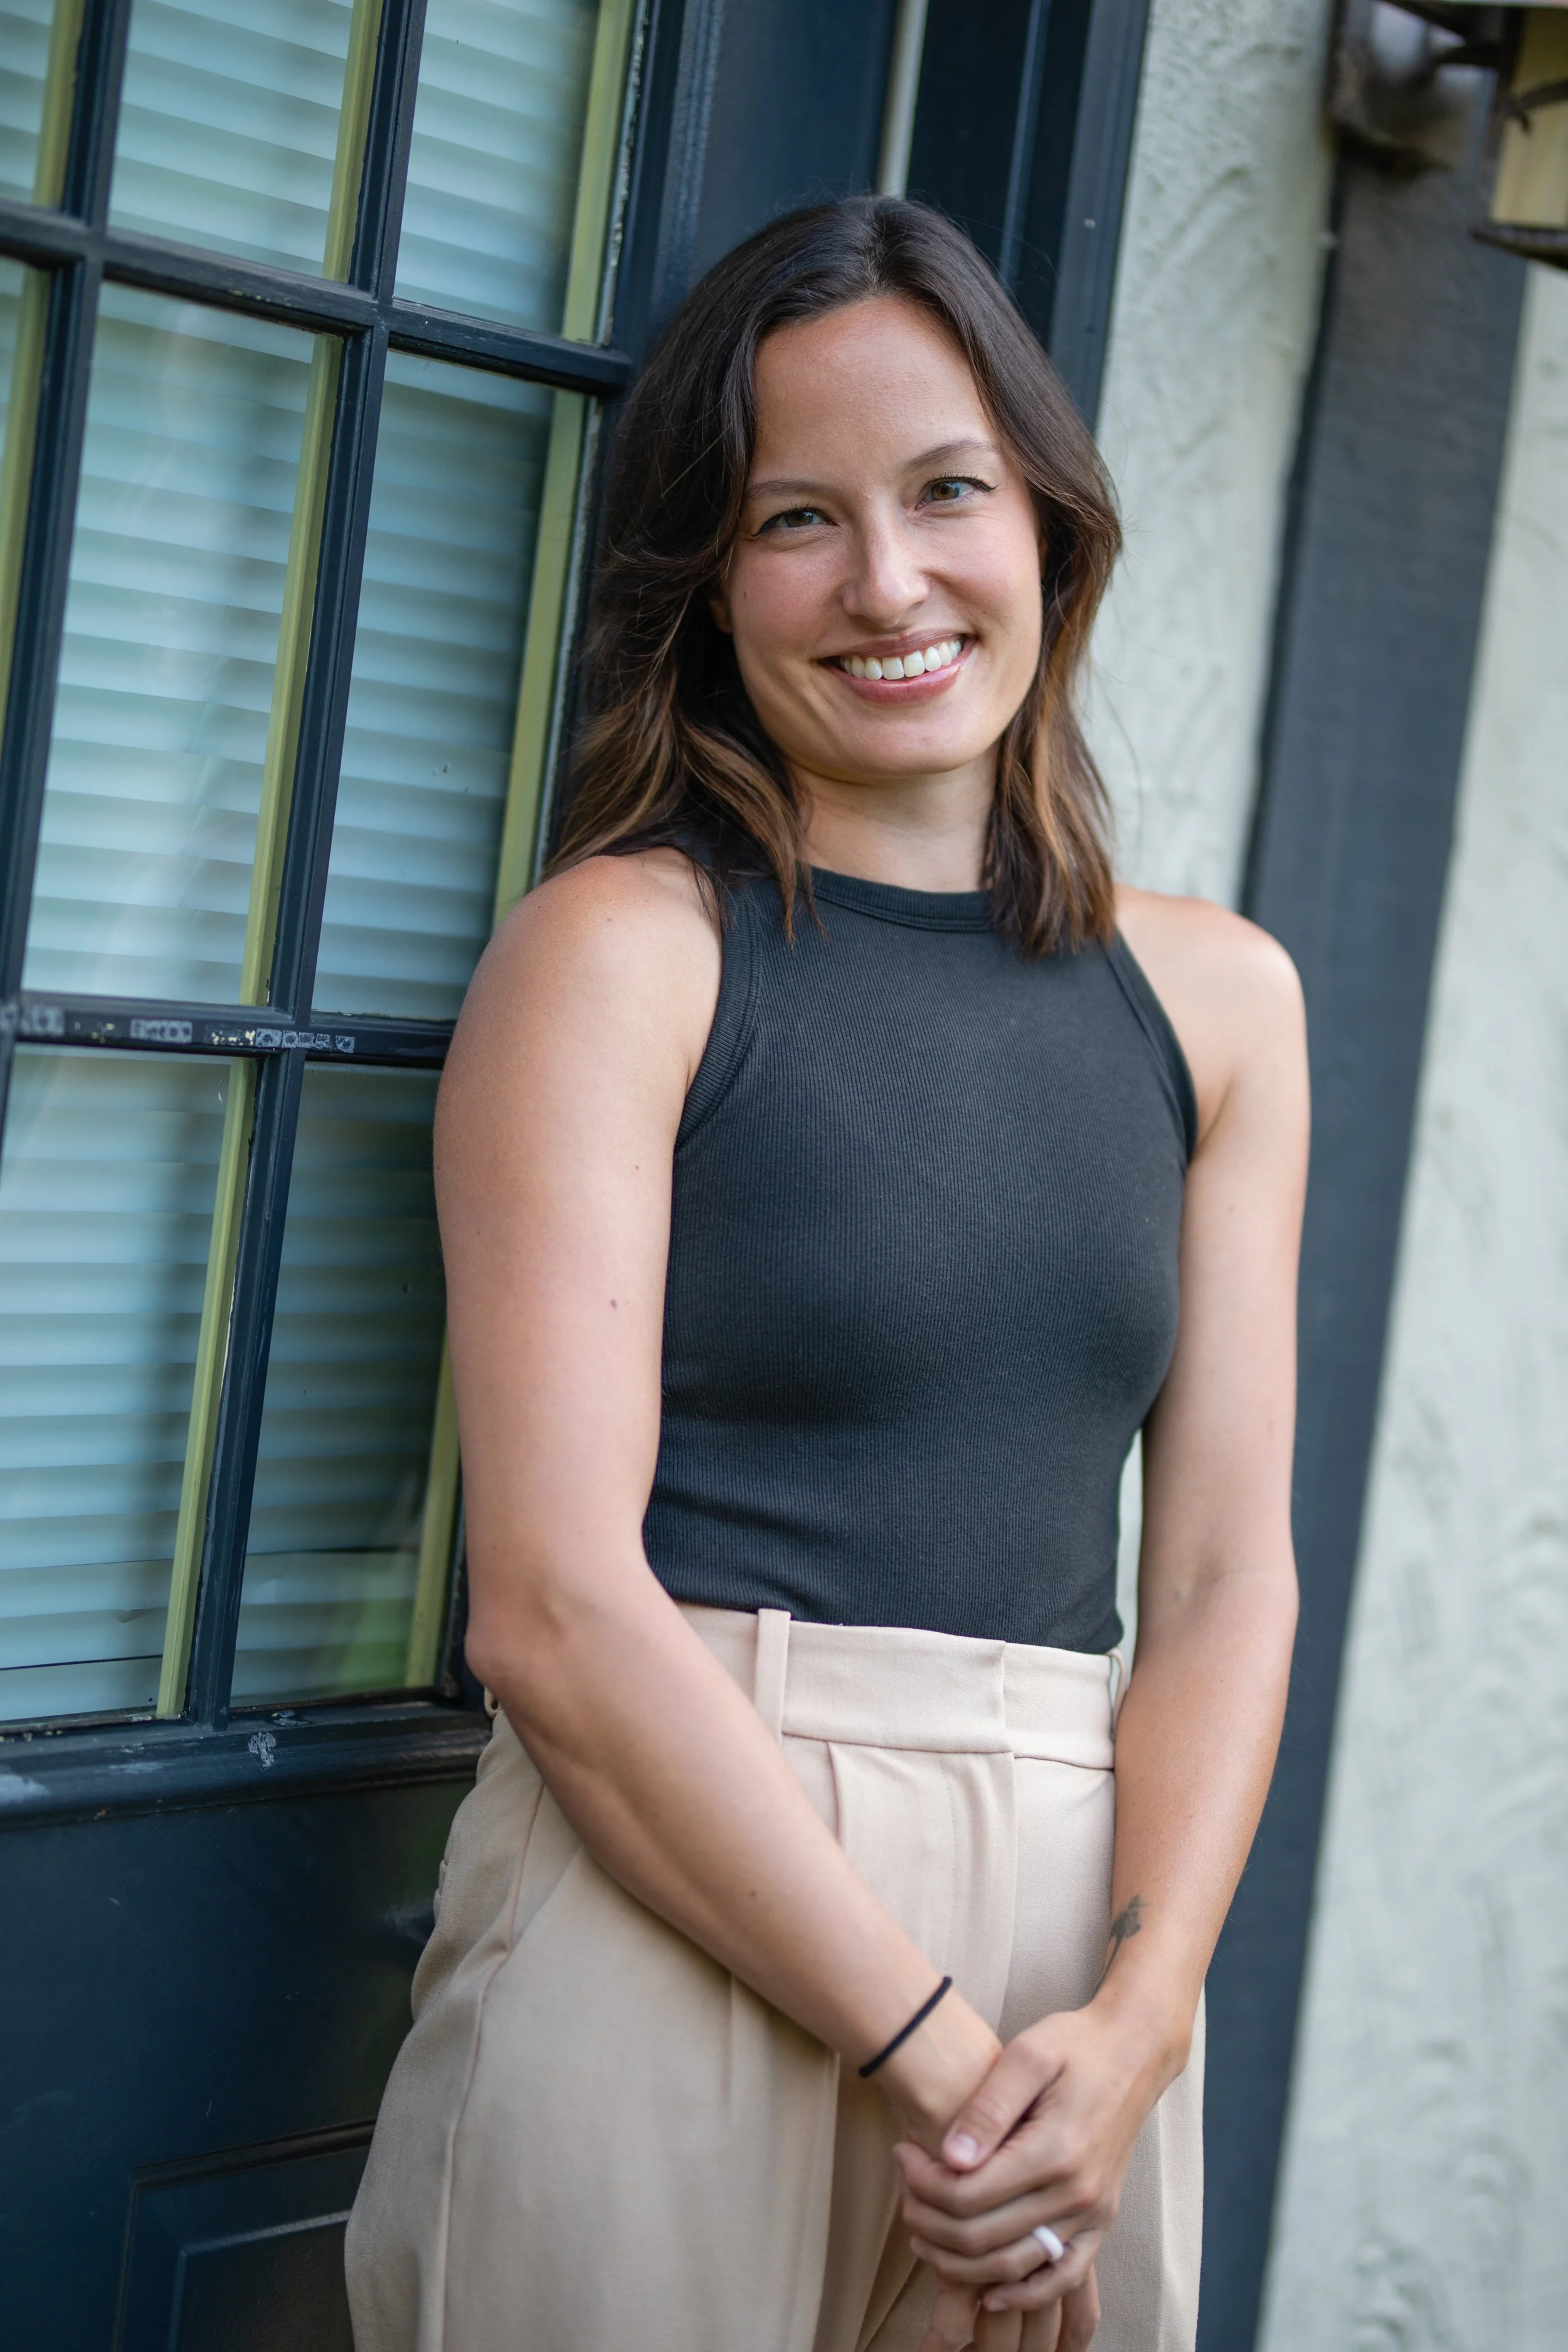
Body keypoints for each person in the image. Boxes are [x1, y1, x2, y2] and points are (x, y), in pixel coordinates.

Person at [346, 196, 1306, 2352]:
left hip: (1077, 1955)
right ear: (709, 581)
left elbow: (1230, 1579)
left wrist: (1131, 2026)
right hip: (682, 1889)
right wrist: (948, 2070)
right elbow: (558, 1606)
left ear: (1048, 526)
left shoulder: (1222, 1000)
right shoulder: (622, 955)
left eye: (946, 491)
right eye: (796, 518)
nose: (887, 583)